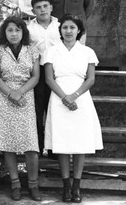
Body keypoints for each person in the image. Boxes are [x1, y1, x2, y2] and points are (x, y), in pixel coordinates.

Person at [43, 14, 103, 203]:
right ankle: (66, 185)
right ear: (60, 30)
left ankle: (77, 185)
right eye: (65, 28)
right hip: (59, 97)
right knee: (62, 144)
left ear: (79, 31)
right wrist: (64, 97)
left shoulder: (87, 52)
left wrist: (74, 96)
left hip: (81, 98)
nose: (68, 31)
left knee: (79, 143)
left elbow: (91, 79)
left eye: (72, 28)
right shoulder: (51, 51)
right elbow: (49, 78)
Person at [0, 16, 41, 202]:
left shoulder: (32, 51)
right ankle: (15, 183)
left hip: (26, 96)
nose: (14, 34)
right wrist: (11, 93)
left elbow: (35, 77)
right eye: (10, 30)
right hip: (5, 96)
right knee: (7, 143)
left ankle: (33, 185)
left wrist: (20, 92)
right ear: (5, 32)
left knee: (30, 144)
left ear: (23, 32)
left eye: (17, 30)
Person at [27, 0, 62, 155]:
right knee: (37, 110)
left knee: (55, 110)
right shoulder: (28, 28)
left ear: (51, 7)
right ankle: (39, 147)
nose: (42, 10)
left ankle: (56, 148)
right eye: (38, 7)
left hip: (57, 72)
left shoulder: (60, 26)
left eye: (45, 6)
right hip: (37, 72)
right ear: (33, 10)